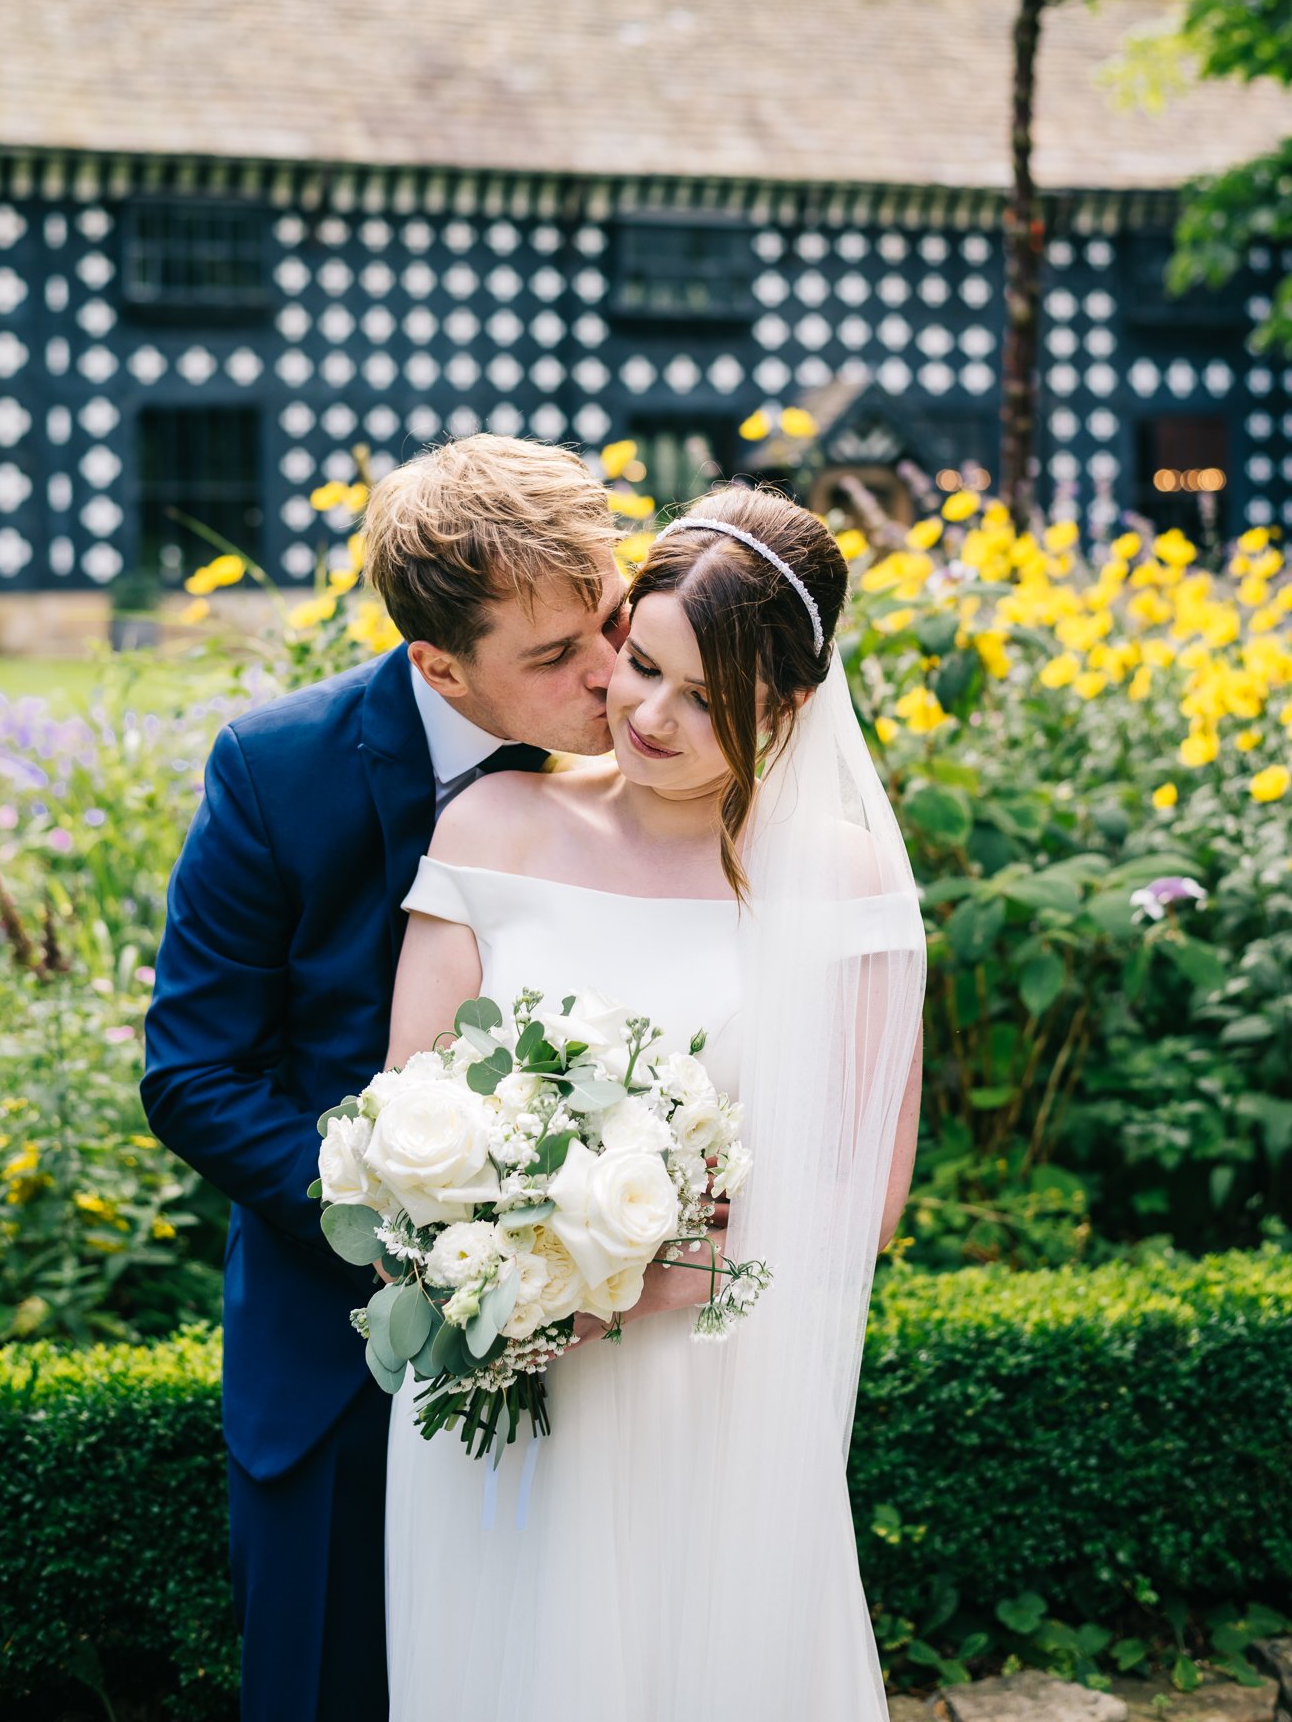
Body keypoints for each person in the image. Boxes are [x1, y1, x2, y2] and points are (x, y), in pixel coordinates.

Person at [385, 482, 927, 1722]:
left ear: (786, 706)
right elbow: (404, 1119)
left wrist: (638, 1271)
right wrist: (525, 1275)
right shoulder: (493, 826)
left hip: (706, 1397)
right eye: (641, 663)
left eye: (703, 695)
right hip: (503, 1391)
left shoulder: (839, 883)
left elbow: (864, 1200)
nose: (647, 713)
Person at [140, 434, 629, 1722]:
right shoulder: (275, 769)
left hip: (606, 1356)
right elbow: (194, 1072)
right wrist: (420, 1232)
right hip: (336, 1351)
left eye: (612, 623)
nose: (609, 679)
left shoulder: (663, 755)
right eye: (552, 657)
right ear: (438, 663)